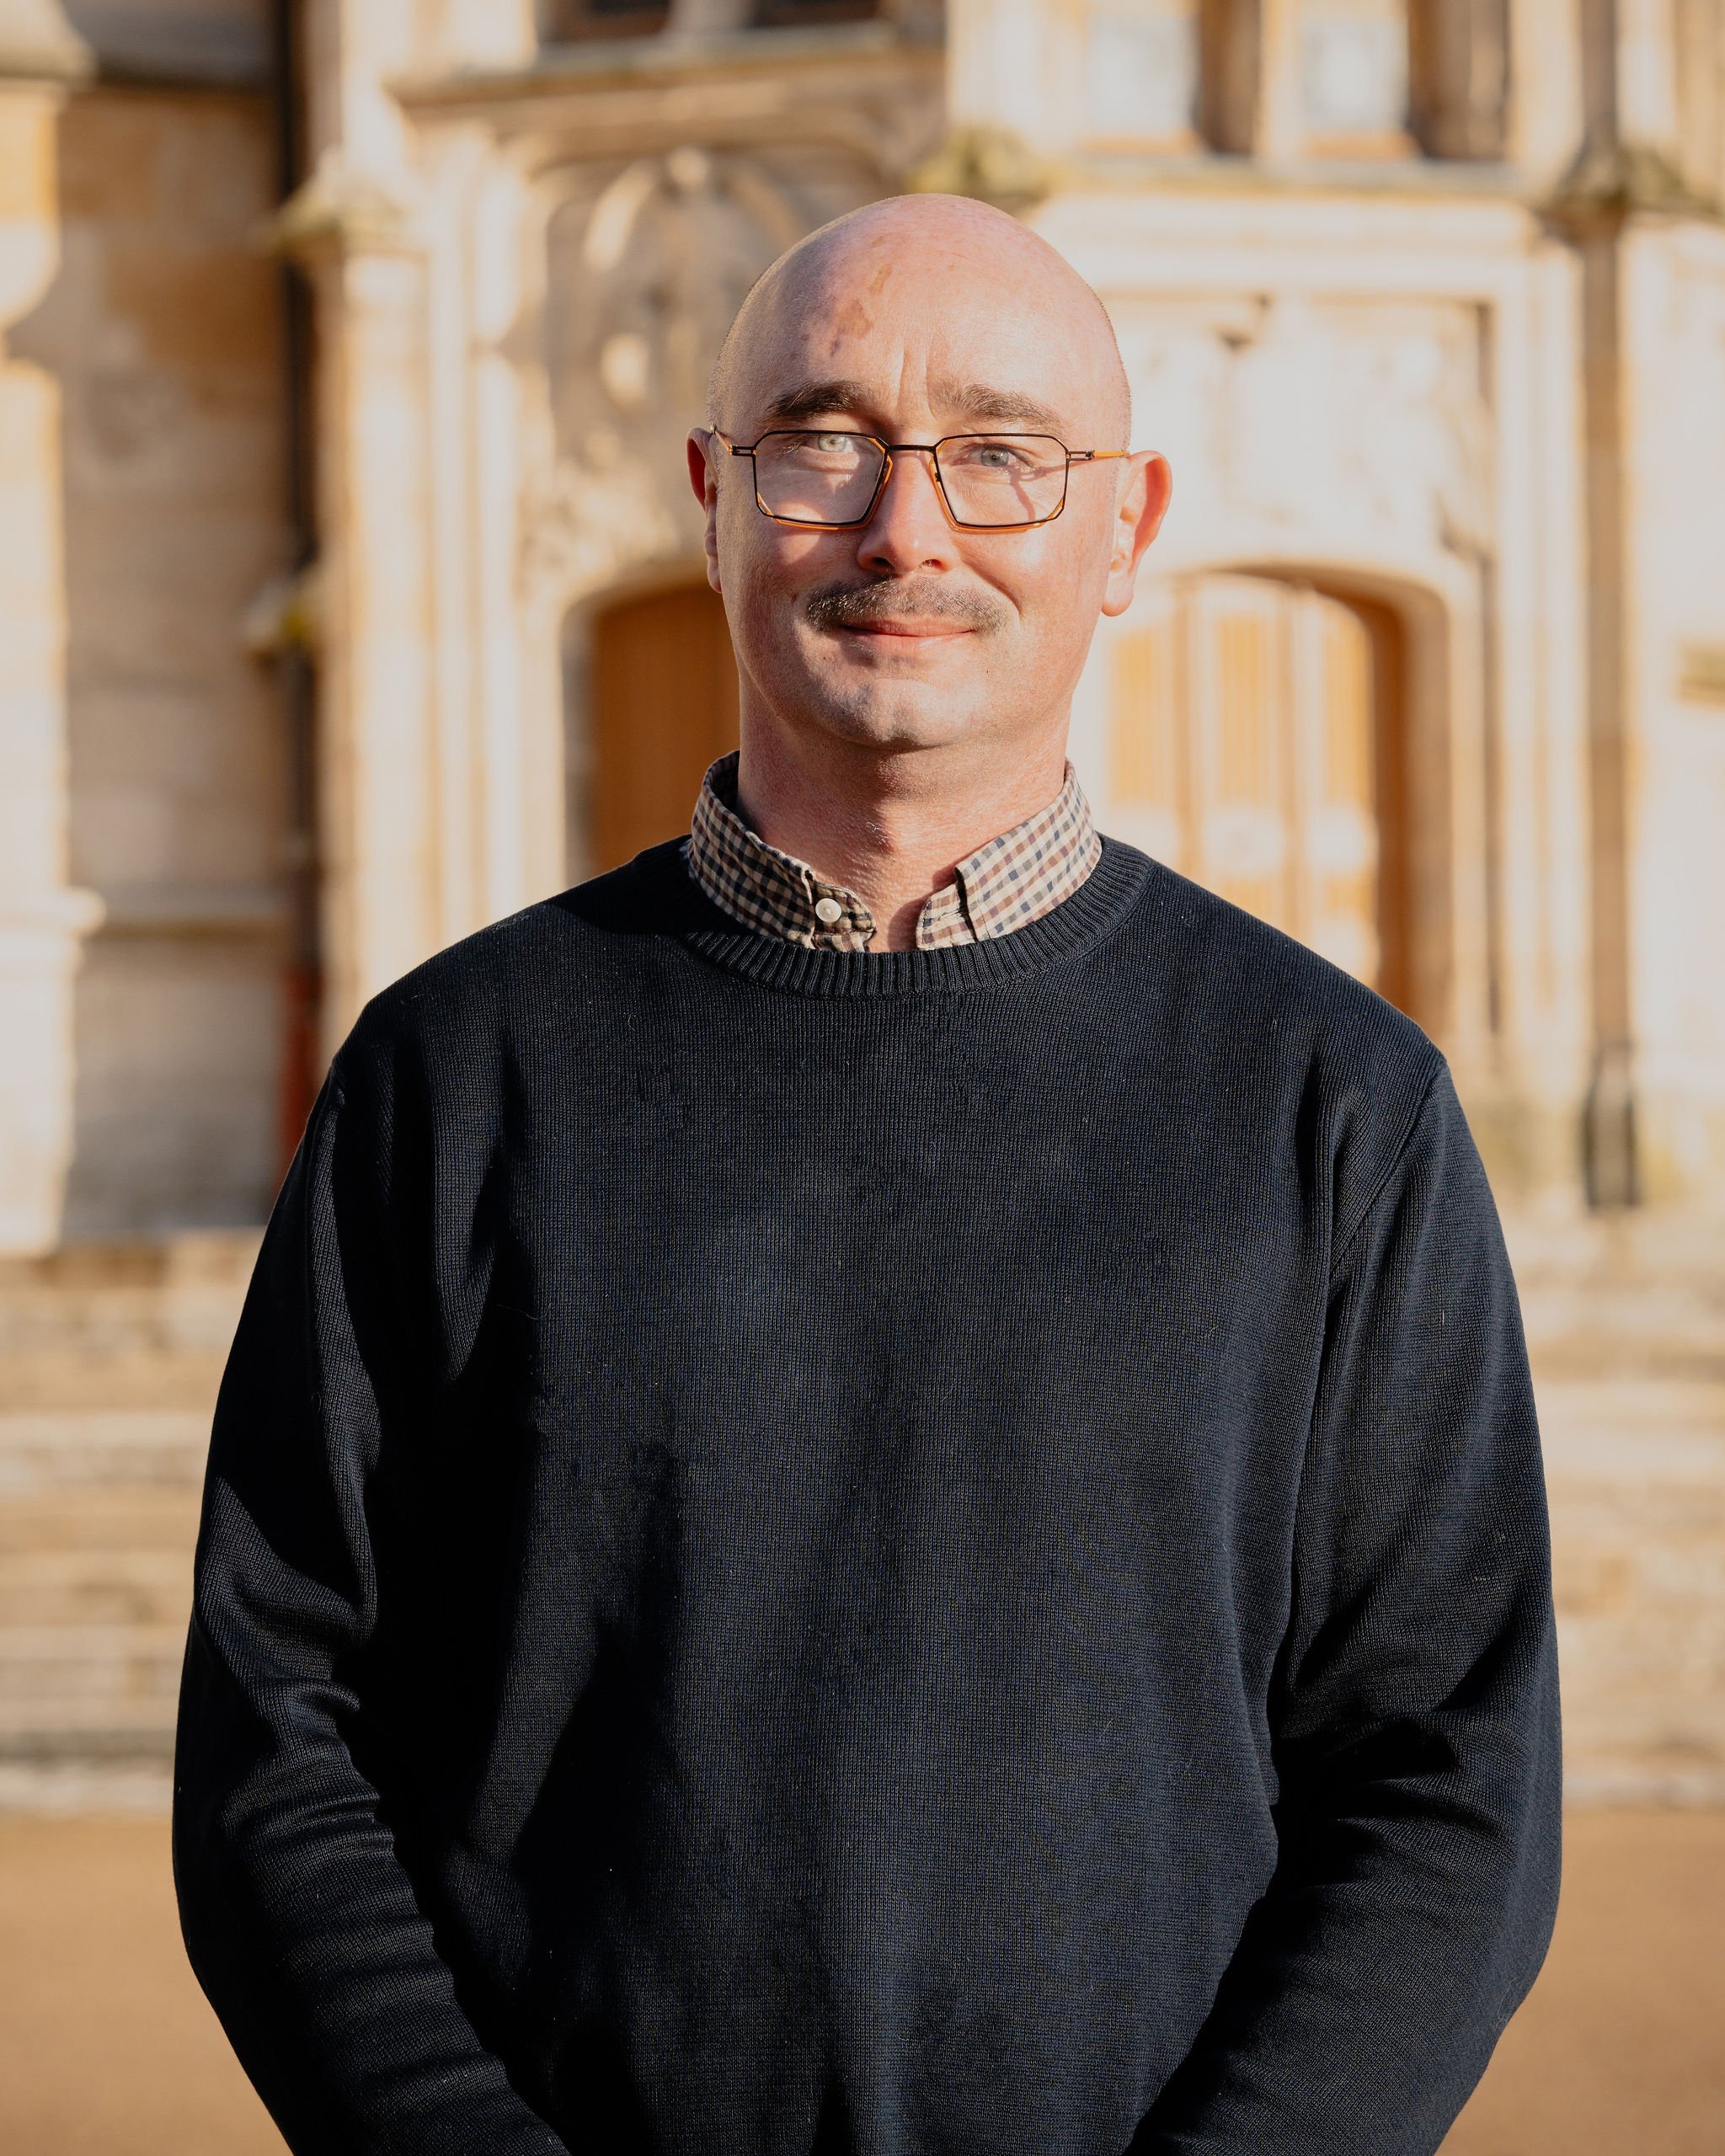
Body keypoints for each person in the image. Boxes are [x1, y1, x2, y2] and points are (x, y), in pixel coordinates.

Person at [174, 194, 1560, 2156]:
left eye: (1001, 453)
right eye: (821, 440)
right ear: (711, 498)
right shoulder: (452, 1073)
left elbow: (1444, 1783)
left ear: (1124, 527)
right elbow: (280, 1731)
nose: (906, 527)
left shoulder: (1336, 1106)